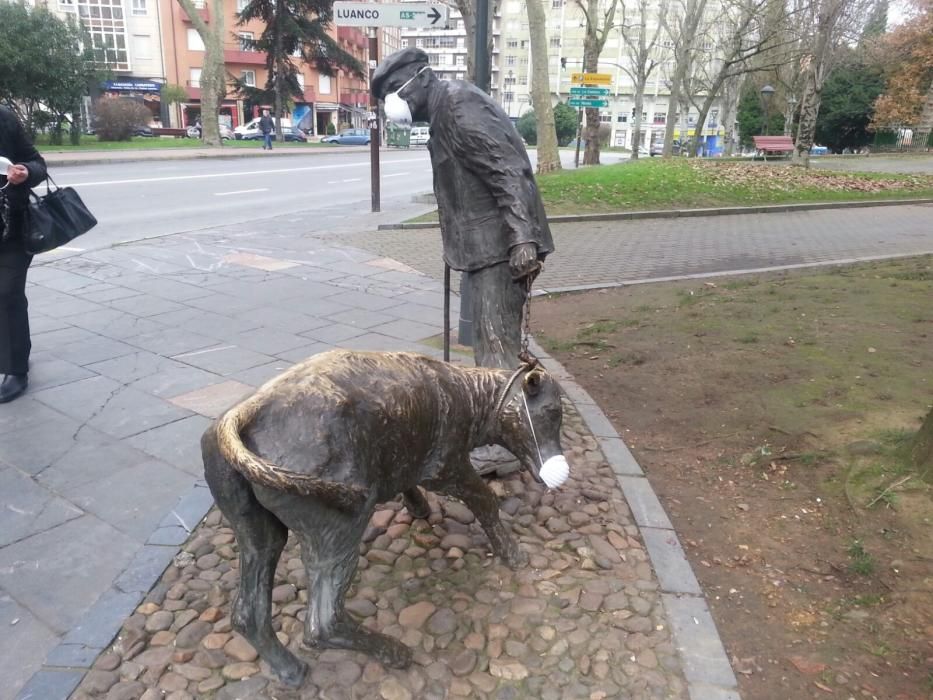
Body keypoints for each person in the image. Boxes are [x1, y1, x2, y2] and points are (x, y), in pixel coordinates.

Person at [371, 48, 554, 371]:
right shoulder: (443, 111)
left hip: (501, 251)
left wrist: (523, 239)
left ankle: (507, 416)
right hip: (485, 250)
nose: (393, 101)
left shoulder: (458, 106)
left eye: (397, 89)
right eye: (387, 96)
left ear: (424, 78)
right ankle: (501, 412)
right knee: (491, 347)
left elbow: (507, 169)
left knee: (497, 354)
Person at [0, 106, 47, 403]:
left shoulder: (3, 119)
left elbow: (38, 164)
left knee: (7, 294)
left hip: (12, 229)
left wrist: (26, 172)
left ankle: (17, 369)